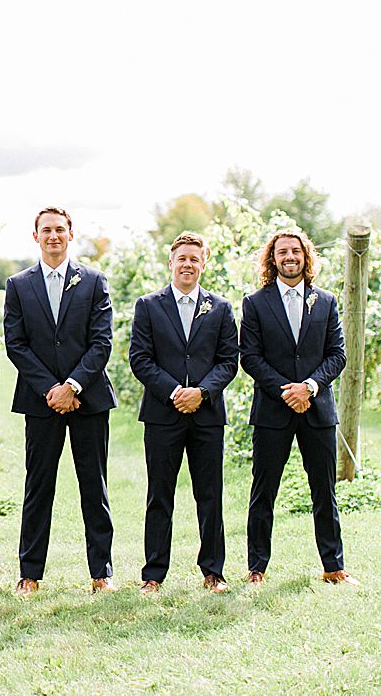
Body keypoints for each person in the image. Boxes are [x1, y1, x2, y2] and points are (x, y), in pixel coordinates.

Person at [5, 206, 118, 596]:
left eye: (60, 229)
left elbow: (102, 341)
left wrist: (72, 385)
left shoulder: (93, 281)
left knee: (94, 485)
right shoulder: (18, 284)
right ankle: (29, 574)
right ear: (35, 236)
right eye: (46, 230)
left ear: (71, 234)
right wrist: (51, 389)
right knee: (38, 487)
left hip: (88, 399)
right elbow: (16, 344)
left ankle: (101, 572)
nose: (53, 236)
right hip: (40, 402)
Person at [241, 228, 357, 586]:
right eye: (282, 253)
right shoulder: (255, 303)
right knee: (264, 491)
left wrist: (308, 386)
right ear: (272, 260)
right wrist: (285, 390)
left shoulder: (325, 301)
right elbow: (250, 356)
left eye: (296, 252)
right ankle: (256, 568)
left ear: (306, 257)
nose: (289, 258)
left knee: (324, 490)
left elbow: (337, 354)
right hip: (273, 411)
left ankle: (333, 567)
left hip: (317, 408)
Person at [129, 232, 239, 594]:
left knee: (210, 494)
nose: (188, 264)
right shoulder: (148, 305)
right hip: (163, 414)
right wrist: (175, 392)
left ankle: (213, 572)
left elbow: (228, 361)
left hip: (207, 416)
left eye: (195, 258)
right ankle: (153, 574)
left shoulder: (220, 308)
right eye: (182, 258)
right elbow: (140, 359)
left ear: (204, 263)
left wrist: (202, 392)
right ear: (171, 263)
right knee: (160, 494)